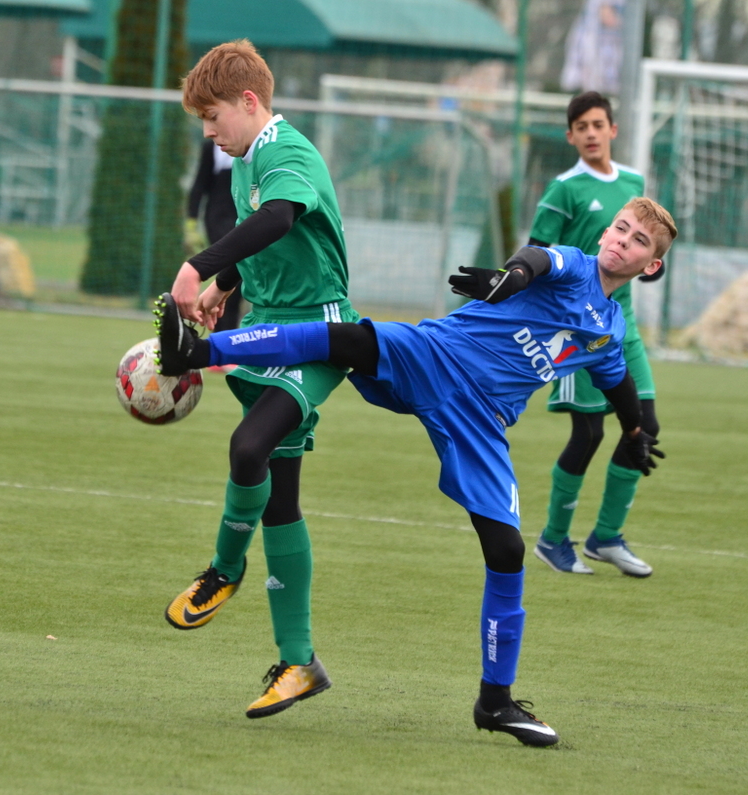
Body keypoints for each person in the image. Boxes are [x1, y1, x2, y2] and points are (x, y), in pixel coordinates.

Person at [157, 197, 677, 746]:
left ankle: (495, 703)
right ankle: (198, 352)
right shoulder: (575, 264)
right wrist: (511, 276)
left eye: (639, 241)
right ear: (603, 235)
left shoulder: (609, 330)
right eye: (619, 228)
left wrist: (636, 430)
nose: (622, 240)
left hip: (482, 420)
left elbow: (617, 381)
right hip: (438, 354)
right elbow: (540, 259)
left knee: (507, 551)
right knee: (345, 340)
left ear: (651, 267)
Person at [160, 39, 358, 720]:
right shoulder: (247, 161)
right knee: (279, 498)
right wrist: (225, 285)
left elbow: (279, 217)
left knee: (249, 449)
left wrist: (196, 266)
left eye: (213, 117)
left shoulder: (287, 151)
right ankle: (299, 662)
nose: (209, 132)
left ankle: (225, 566)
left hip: (317, 333)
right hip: (267, 326)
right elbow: (267, 238)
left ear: (249, 102)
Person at [527, 91, 663, 578]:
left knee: (645, 426)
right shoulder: (563, 188)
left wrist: (649, 267)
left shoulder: (632, 183)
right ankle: (553, 540)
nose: (589, 132)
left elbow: (647, 243)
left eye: (597, 124)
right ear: (570, 136)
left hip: (622, 328)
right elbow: (535, 251)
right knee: (588, 431)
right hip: (578, 330)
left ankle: (606, 537)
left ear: (613, 130)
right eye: (580, 126)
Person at [186, 139, 244, 335]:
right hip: (217, 218)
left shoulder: (256, 147)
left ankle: (230, 337)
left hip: (243, 218)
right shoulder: (211, 146)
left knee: (240, 279)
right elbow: (200, 183)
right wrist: (191, 224)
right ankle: (220, 336)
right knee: (228, 272)